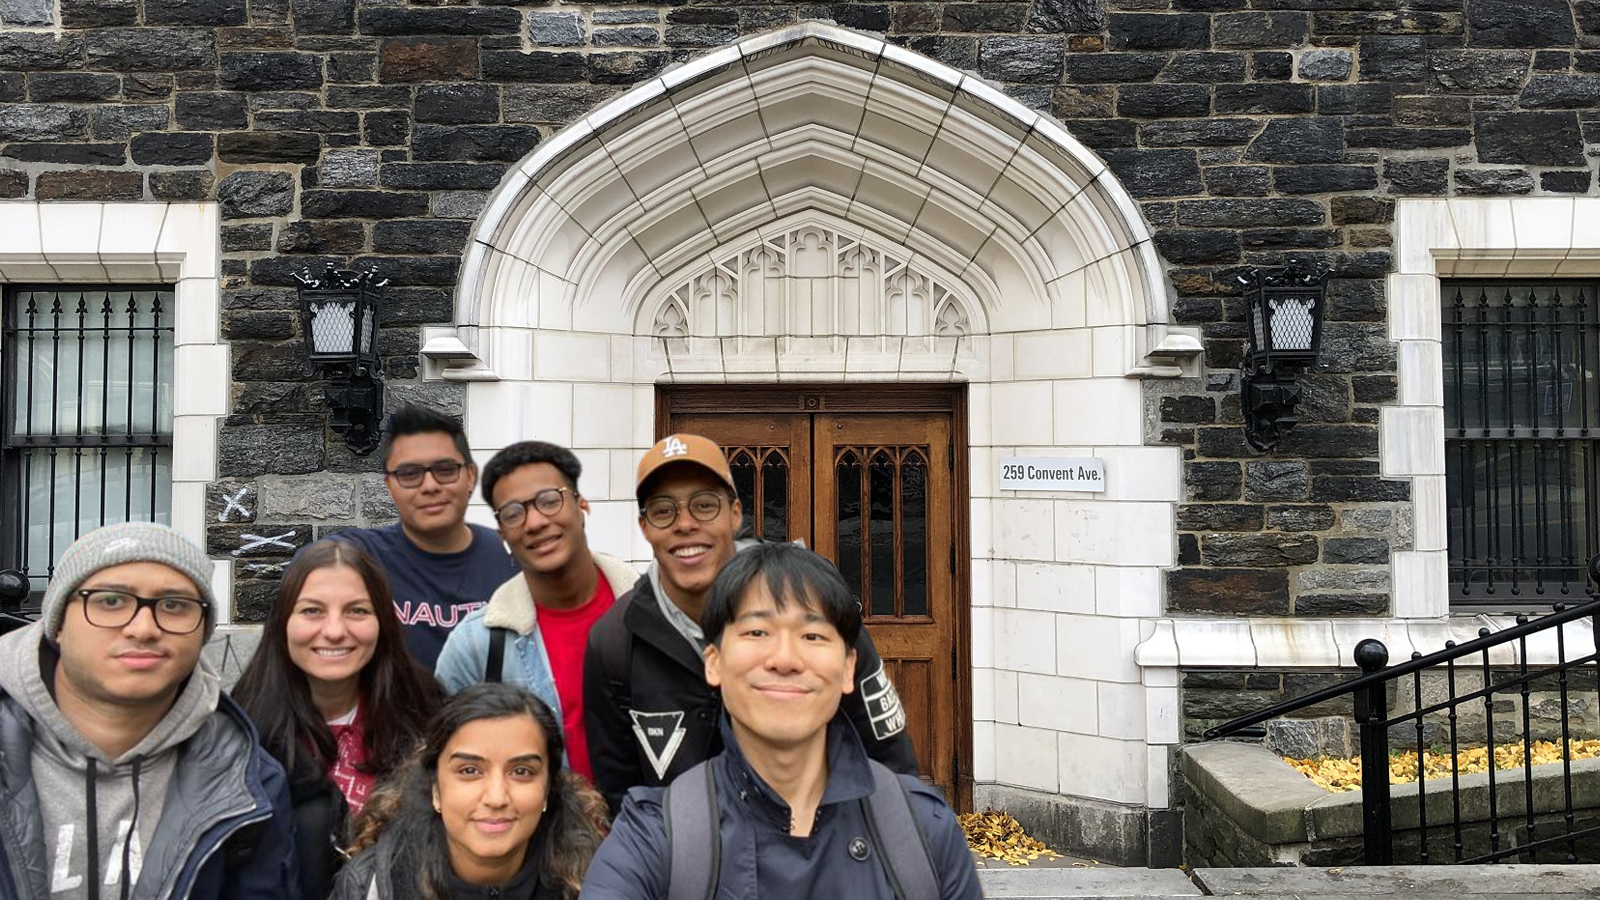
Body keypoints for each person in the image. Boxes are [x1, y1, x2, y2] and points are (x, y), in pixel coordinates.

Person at [581, 542, 981, 899]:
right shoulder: (655, 836)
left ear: (847, 669)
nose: (785, 659)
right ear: (714, 663)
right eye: (757, 631)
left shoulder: (924, 832)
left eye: (812, 636)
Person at [584, 433, 918, 815]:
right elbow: (620, 796)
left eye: (705, 505)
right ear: (645, 527)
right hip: (689, 866)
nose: (686, 523)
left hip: (822, 853)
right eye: (663, 510)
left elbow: (889, 754)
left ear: (736, 514)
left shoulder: (813, 600)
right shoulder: (615, 639)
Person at [0, 522, 300, 900]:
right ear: (57, 623)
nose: (143, 628)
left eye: (174, 605)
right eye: (110, 601)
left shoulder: (248, 780)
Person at [232, 539, 447, 900]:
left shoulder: (427, 712)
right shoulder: (241, 732)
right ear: (283, 620)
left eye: (357, 611)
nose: (334, 630)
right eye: (313, 611)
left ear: (382, 621)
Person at [435, 441, 639, 784]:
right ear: (502, 533)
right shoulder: (476, 646)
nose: (534, 522)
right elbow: (445, 763)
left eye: (549, 500)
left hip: (649, 832)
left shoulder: (652, 618)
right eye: (514, 513)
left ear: (581, 506)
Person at [329, 682, 606, 900]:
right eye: (470, 771)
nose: (496, 798)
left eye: (521, 771)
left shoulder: (597, 881)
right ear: (436, 788)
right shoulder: (373, 886)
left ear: (548, 789)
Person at [327, 403, 519, 669]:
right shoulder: (364, 556)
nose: (430, 486)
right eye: (409, 474)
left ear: (470, 477)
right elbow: (303, 572)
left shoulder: (513, 560)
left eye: (445, 470)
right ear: (390, 487)